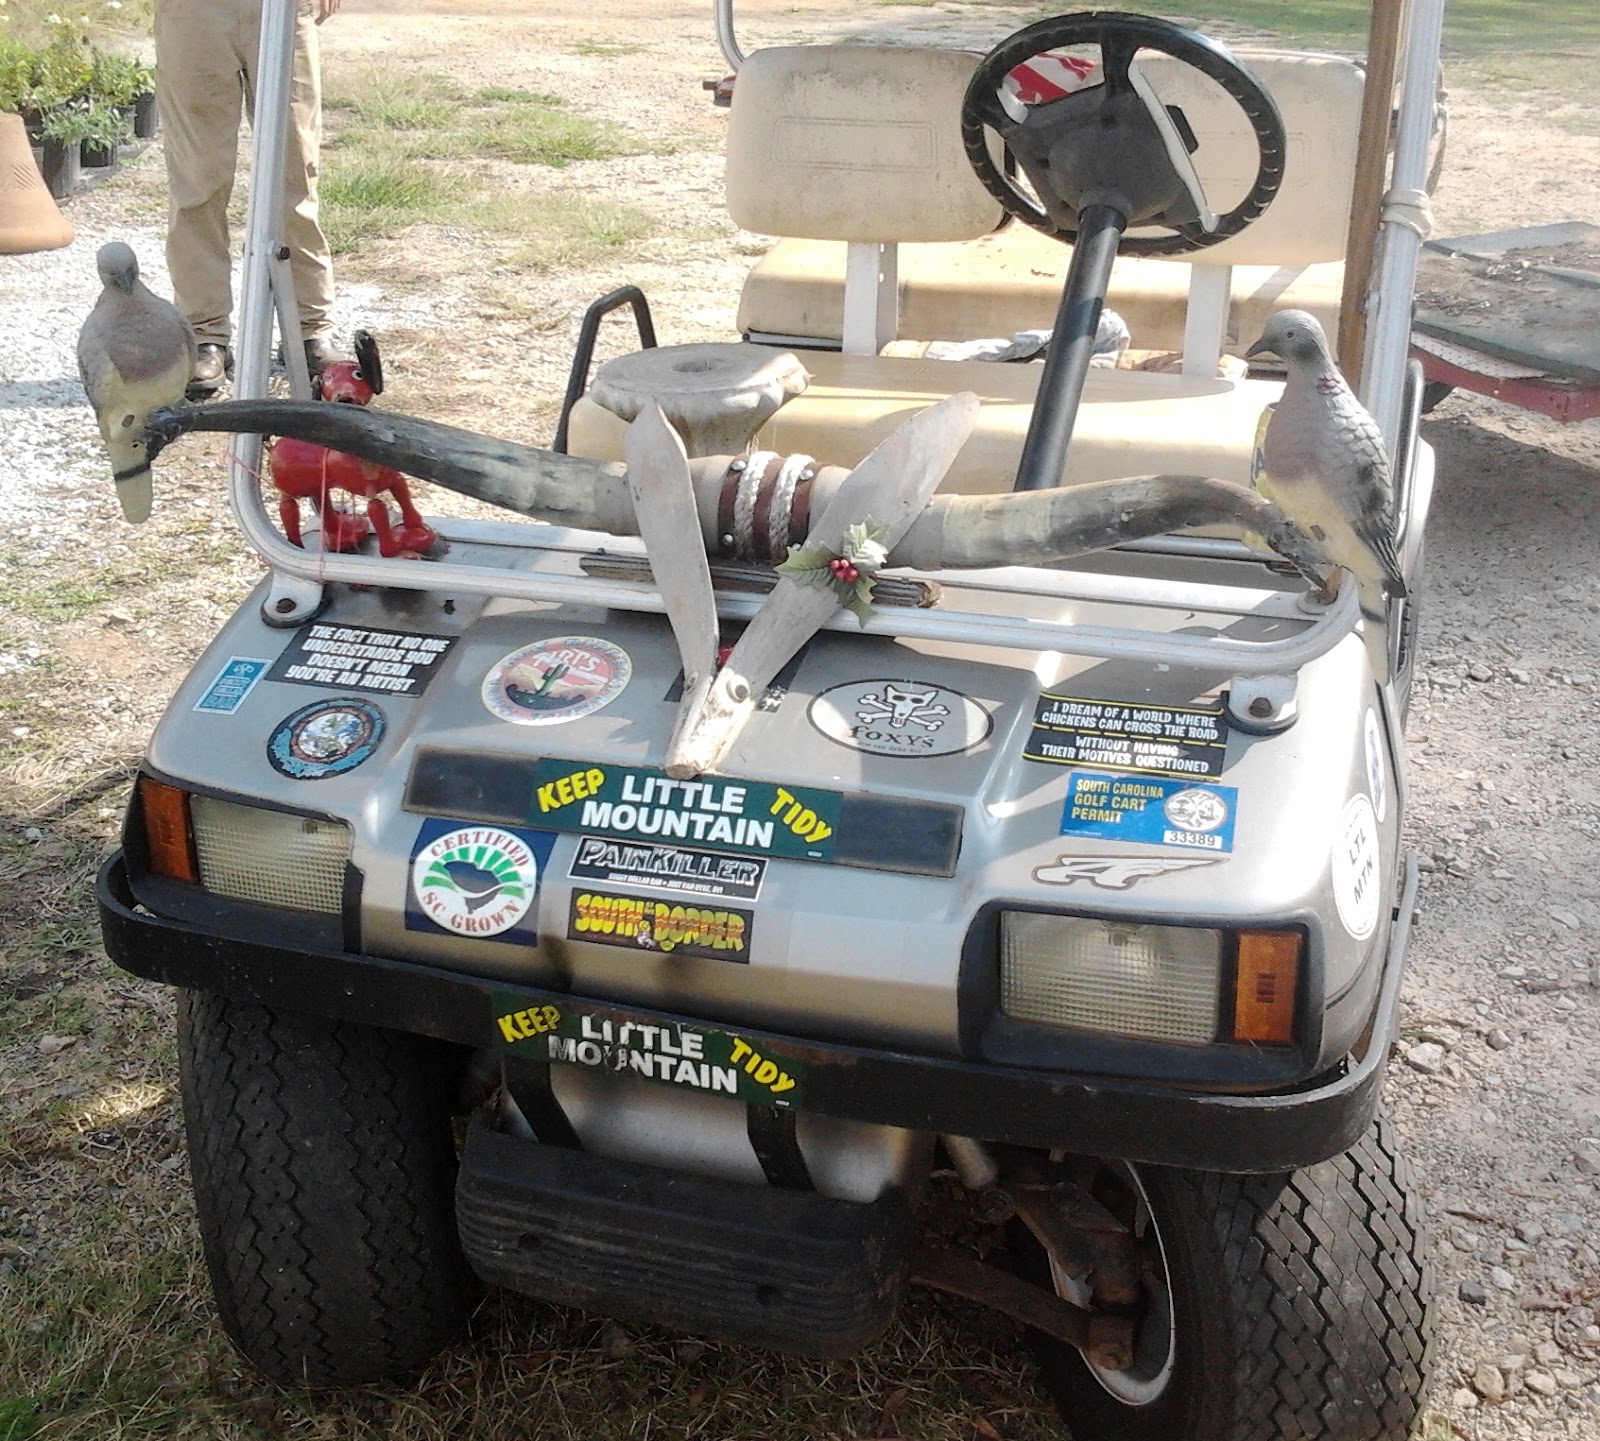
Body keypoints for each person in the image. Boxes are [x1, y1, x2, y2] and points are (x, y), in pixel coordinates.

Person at [154, 0, 346, 396]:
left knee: (294, 169)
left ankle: (309, 329)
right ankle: (204, 333)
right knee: (197, 178)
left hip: (283, 8)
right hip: (195, 11)